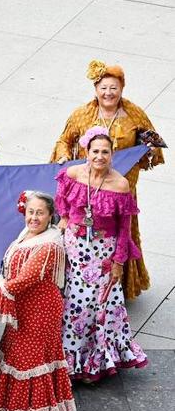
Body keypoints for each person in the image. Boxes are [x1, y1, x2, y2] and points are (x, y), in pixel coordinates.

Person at [52, 59, 166, 300]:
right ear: (95, 89)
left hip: (120, 189)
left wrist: (148, 151)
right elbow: (64, 140)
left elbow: (154, 145)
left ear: (122, 88)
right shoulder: (82, 114)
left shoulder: (134, 114)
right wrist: (63, 155)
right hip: (88, 188)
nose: (108, 93)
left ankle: (120, 286)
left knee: (122, 234)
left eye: (113, 87)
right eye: (103, 87)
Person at [0, 192, 76, 411]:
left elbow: (24, 280)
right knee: (29, 357)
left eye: (40, 213)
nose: (34, 217)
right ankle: (44, 410)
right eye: (31, 212)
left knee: (25, 359)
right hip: (26, 307)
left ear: (50, 216)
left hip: (39, 309)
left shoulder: (49, 244)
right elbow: (9, 272)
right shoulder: (27, 236)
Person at [55, 127, 147, 382]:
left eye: (105, 152)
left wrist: (118, 263)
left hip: (103, 253)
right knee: (74, 306)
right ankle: (69, 361)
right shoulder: (73, 174)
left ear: (112, 154)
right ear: (87, 152)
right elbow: (61, 199)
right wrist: (64, 219)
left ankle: (94, 363)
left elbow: (123, 229)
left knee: (100, 307)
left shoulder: (120, 184)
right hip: (74, 249)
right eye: (95, 151)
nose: (99, 156)